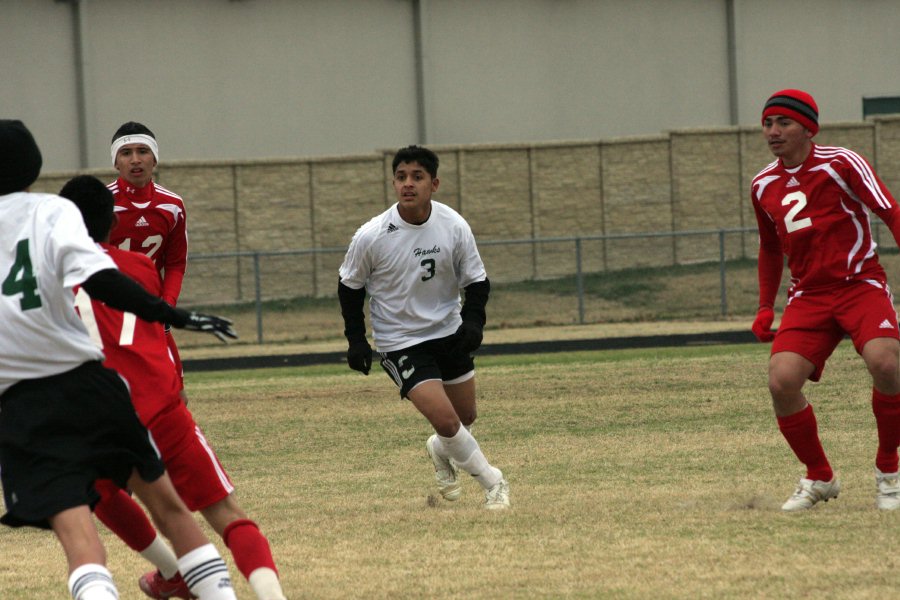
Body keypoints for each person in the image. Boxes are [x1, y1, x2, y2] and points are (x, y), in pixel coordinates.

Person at [0, 119, 239, 599]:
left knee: (80, 541)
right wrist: (173, 314)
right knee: (172, 510)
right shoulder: (54, 210)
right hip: (90, 380)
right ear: (34, 164)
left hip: (20, 402)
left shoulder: (158, 207)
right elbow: (102, 278)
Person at [60, 175, 287, 600]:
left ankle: (171, 570)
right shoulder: (140, 267)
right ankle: (271, 594)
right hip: (158, 406)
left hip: (97, 418)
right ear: (111, 224)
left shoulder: (44, 277)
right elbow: (154, 326)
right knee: (225, 514)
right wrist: (176, 380)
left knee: (100, 497)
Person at [750, 89, 900, 511]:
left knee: (887, 362)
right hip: (809, 295)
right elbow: (768, 247)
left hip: (859, 283)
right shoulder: (762, 184)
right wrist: (765, 306)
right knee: (781, 381)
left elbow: (891, 212)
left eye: (783, 123)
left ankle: (888, 470)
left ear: (808, 128)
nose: (773, 132)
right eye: (767, 123)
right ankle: (820, 476)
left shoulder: (841, 162)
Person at [337, 145, 510, 510]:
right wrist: (356, 340)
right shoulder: (372, 235)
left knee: (464, 419)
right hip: (401, 342)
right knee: (448, 421)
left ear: (434, 183)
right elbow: (349, 286)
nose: (408, 184)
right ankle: (493, 482)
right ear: (393, 183)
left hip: (449, 331)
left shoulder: (454, 225)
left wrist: (474, 322)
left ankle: (438, 448)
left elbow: (477, 281)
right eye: (401, 177)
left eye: (417, 177)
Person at [107, 121, 189, 397]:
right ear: (116, 162)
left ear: (155, 158)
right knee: (115, 394)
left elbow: (176, 263)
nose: (135, 159)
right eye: (126, 152)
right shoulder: (101, 204)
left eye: (143, 151)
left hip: (151, 311)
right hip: (110, 310)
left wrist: (166, 306)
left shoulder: (172, 205)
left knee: (174, 393)